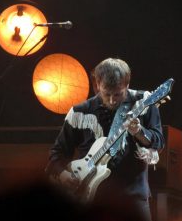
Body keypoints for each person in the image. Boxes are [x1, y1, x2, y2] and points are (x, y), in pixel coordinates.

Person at [45, 58, 165, 221]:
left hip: (133, 198)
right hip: (91, 201)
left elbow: (158, 141)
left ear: (127, 85)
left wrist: (139, 131)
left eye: (118, 94)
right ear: (97, 86)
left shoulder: (142, 102)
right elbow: (57, 154)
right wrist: (63, 175)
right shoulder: (80, 112)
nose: (112, 100)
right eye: (106, 94)